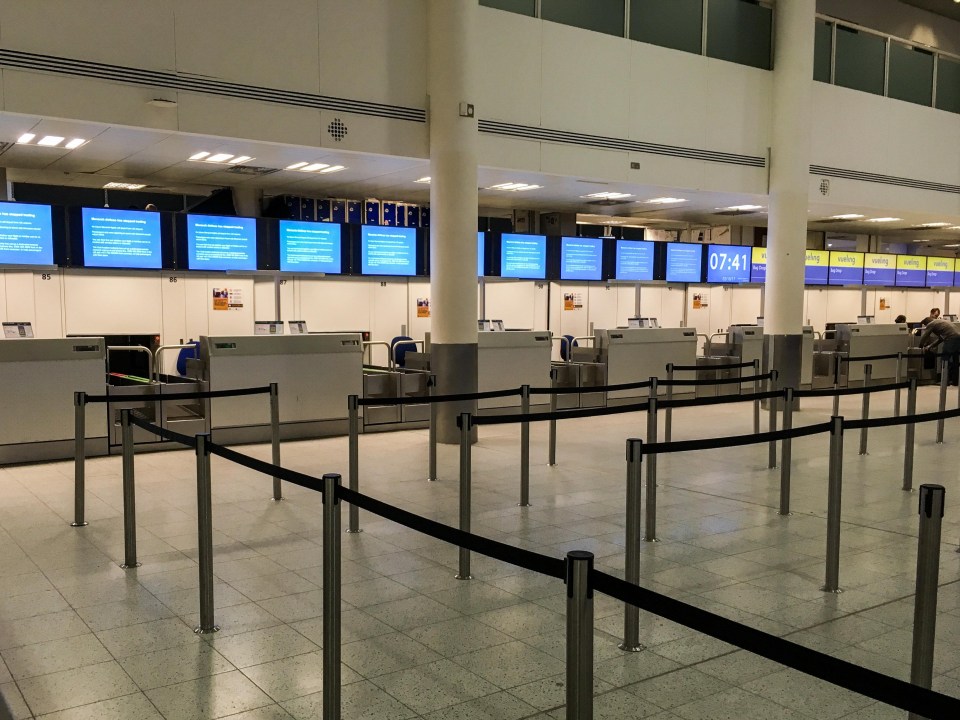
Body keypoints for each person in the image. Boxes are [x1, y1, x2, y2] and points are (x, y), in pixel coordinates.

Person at [919, 317, 960, 385]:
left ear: (927, 323)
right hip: (958, 337)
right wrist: (931, 346)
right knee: (955, 360)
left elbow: (925, 335)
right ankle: (955, 381)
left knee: (944, 359)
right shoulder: (941, 322)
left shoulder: (931, 324)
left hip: (950, 339)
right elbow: (941, 338)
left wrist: (920, 346)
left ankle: (944, 381)